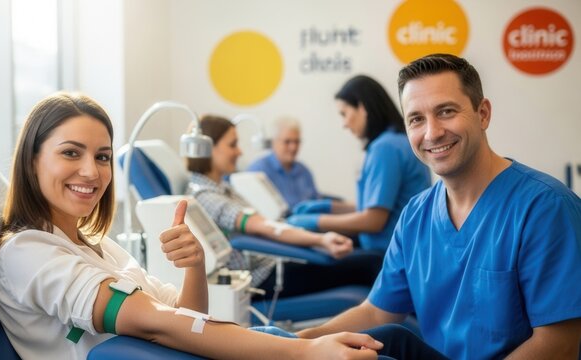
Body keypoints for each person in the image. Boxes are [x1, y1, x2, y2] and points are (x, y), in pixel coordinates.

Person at [0, 92, 390, 359]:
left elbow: (185, 314)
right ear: (31, 160)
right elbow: (156, 323)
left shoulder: (98, 246)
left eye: (104, 156)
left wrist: (195, 265)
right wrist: (301, 352)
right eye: (71, 153)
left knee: (396, 340)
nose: (91, 171)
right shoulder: (27, 253)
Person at [297, 54, 581, 359]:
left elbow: (558, 345)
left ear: (482, 114)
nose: (432, 133)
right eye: (416, 119)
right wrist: (294, 343)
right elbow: (378, 312)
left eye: (446, 111)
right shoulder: (415, 215)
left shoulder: (545, 208)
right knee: (385, 337)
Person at [186, 115, 383, 298]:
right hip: (264, 278)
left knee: (369, 259)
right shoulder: (206, 197)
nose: (240, 151)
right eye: (233, 145)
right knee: (371, 264)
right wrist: (321, 240)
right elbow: (264, 226)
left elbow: (268, 224)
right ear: (208, 148)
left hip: (275, 260)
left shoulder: (224, 189)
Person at [286, 75, 431, 253]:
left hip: (388, 255)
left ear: (362, 108)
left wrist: (316, 222)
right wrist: (330, 207)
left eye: (344, 114)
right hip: (404, 249)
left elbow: (373, 220)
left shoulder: (385, 148)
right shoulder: (395, 142)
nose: (344, 124)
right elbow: (378, 207)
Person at [246, 116, 332, 210]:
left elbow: (316, 201)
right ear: (274, 142)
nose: (293, 147)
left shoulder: (304, 171)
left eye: (297, 142)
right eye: (287, 142)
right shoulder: (257, 171)